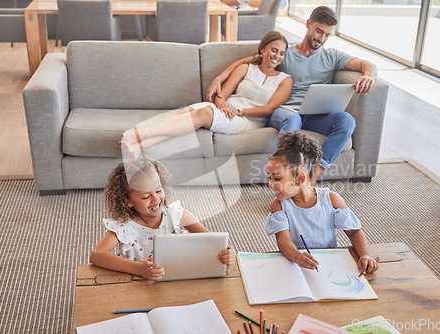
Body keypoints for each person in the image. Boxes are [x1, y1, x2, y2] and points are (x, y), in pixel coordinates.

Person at [206, 6, 378, 184]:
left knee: (347, 120)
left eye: (327, 35)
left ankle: (313, 176)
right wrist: (219, 78)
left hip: (316, 115)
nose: (321, 39)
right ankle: (285, 176)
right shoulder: (285, 52)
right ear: (308, 24)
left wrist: (368, 75)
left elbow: (367, 64)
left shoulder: (333, 56)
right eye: (319, 31)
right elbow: (251, 59)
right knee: (293, 121)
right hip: (284, 112)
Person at [120, 30, 293, 159]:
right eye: (274, 50)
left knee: (203, 113)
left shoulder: (284, 80)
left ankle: (145, 133)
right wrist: (223, 104)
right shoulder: (245, 68)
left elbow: (270, 108)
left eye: (281, 53)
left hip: (249, 120)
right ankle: (139, 147)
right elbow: (221, 95)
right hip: (227, 110)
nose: (277, 56)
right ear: (263, 49)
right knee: (185, 113)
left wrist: (240, 112)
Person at [90, 157, 236, 280]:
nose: (155, 199)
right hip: (138, 284)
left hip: (178, 278)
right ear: (128, 201)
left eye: (158, 190)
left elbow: (212, 240)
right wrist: (139, 269)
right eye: (146, 196)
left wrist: (227, 253)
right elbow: (97, 255)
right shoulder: (124, 227)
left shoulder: (176, 214)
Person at [265, 131, 378, 275]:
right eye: (269, 178)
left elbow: (354, 232)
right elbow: (283, 241)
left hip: (330, 265)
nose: (270, 184)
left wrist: (365, 255)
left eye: (277, 178)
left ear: (300, 178)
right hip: (297, 265)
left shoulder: (331, 199)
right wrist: (297, 256)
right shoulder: (279, 205)